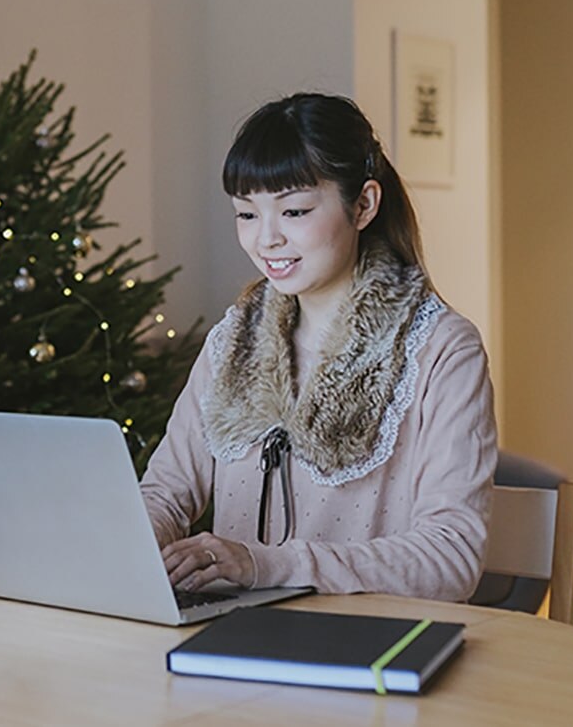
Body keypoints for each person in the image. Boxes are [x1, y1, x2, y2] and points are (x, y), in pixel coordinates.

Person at [140, 93, 496, 602]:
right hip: (234, 640)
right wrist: (141, 544)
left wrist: (266, 564)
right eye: (246, 214)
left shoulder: (441, 350)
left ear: (364, 205)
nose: (266, 240)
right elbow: (165, 493)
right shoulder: (232, 341)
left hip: (370, 650)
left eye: (295, 211)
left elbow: (450, 558)